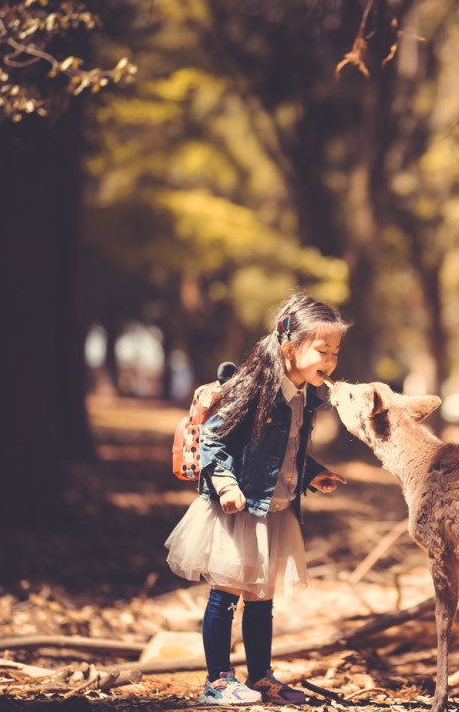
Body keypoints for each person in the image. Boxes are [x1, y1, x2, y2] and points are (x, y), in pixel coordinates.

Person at [165, 292, 349, 705]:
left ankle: (260, 676)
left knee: (261, 599)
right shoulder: (256, 386)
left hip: (275, 510)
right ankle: (217, 679)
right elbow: (215, 438)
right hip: (238, 508)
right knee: (226, 593)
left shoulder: (306, 394)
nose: (331, 360)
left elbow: (287, 448)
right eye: (322, 350)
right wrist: (226, 484)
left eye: (335, 351)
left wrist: (314, 474)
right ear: (289, 346)